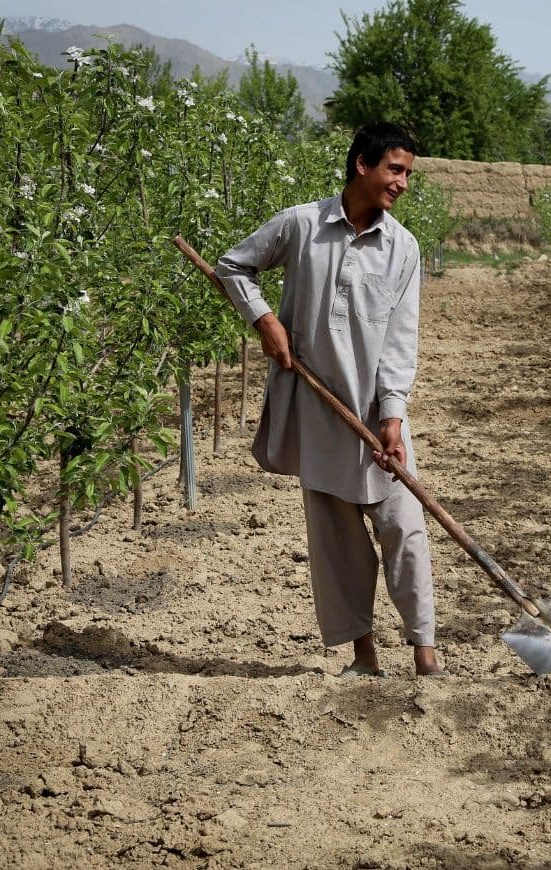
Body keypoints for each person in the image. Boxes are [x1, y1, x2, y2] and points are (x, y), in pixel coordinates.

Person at [214, 122, 443, 677]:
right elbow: (232, 265)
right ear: (362, 165)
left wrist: (392, 413)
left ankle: (425, 655)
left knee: (405, 529)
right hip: (318, 409)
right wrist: (264, 319)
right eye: (395, 169)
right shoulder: (301, 225)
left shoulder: (403, 247)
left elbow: (400, 338)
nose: (403, 183)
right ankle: (364, 659)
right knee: (337, 542)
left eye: (408, 172)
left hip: (374, 413)